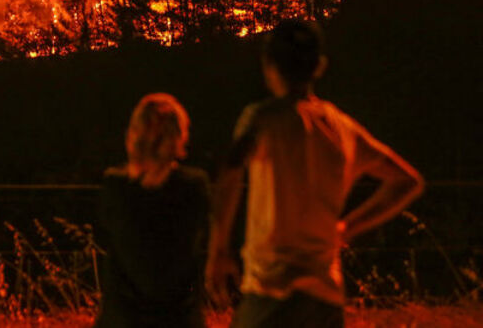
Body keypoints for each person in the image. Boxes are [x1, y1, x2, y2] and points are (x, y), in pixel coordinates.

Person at [206, 20, 425, 328]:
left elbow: (230, 172)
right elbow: (407, 181)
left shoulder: (262, 119)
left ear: (268, 65)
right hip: (324, 299)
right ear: (319, 66)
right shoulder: (342, 128)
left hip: (271, 290)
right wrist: (346, 227)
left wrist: (219, 250)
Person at [96, 93, 209, 328]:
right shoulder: (192, 186)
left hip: (123, 319)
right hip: (178, 318)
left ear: (133, 136)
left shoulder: (115, 185)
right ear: (179, 135)